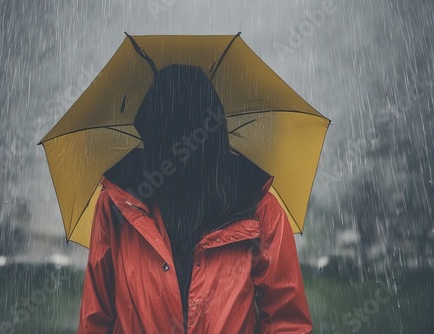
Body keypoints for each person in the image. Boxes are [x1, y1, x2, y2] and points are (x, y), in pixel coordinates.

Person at [77, 64, 312, 333]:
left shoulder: (258, 211)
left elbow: (286, 322)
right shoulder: (117, 206)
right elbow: (96, 320)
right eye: (169, 130)